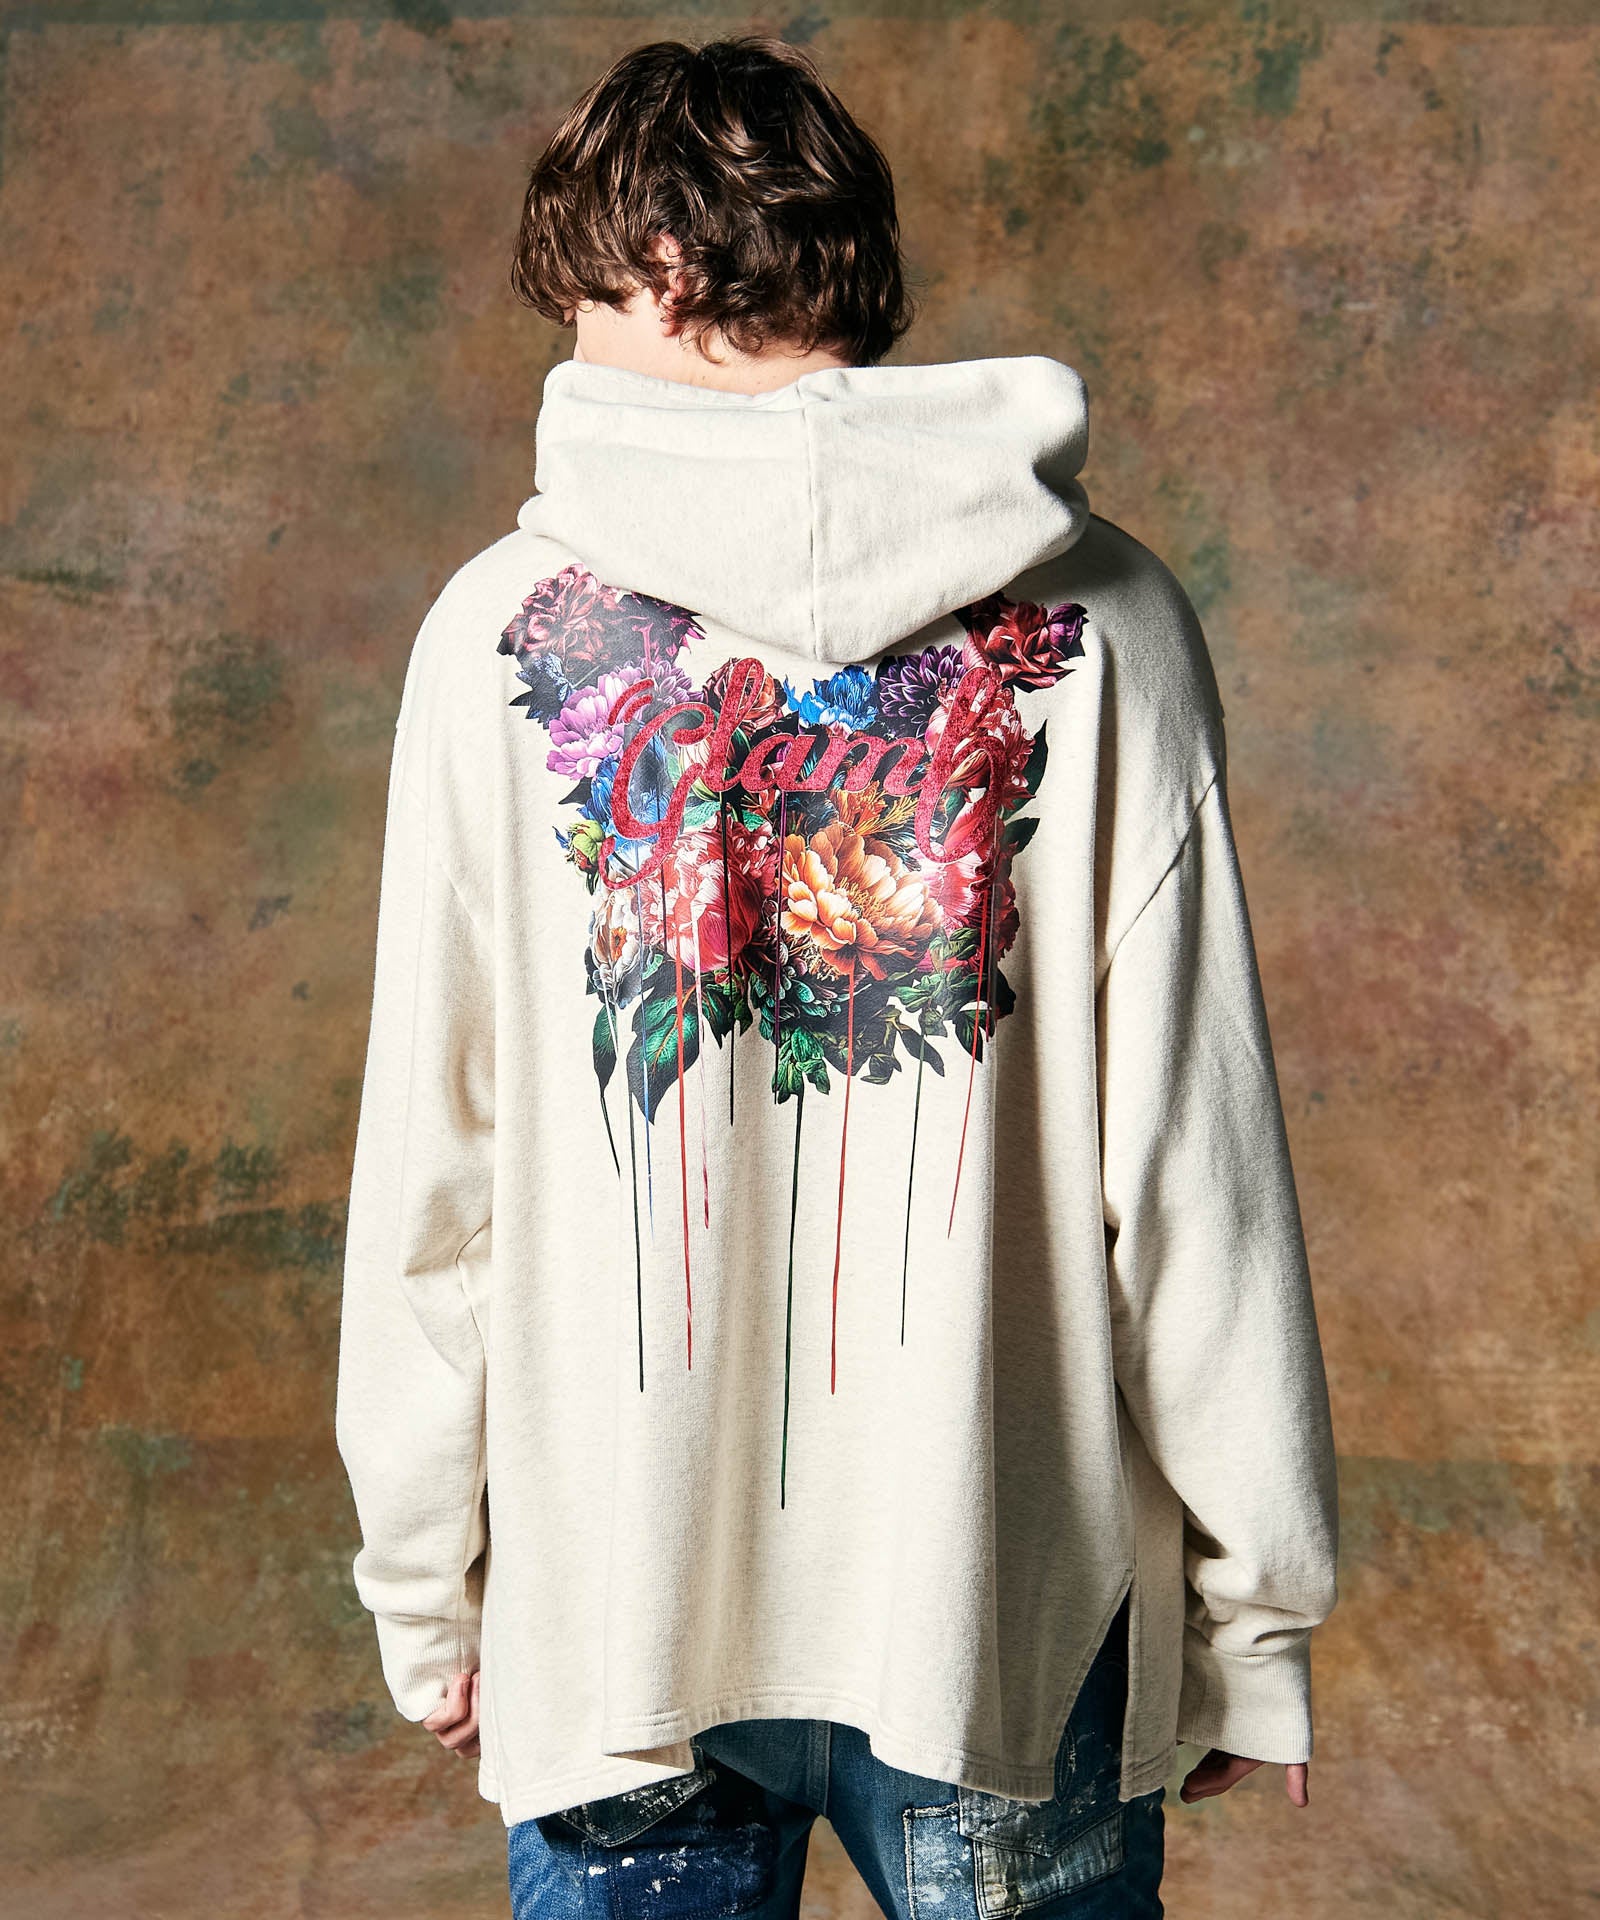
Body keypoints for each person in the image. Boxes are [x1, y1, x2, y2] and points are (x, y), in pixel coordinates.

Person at [333, 34, 1340, 1920]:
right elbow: (1195, 1173)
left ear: (661, 270)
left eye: (580, 301)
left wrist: (427, 1588)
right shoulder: (1109, 624)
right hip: (1000, 1600)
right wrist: (1255, 1615)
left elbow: (435, 1178)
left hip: (618, 1604)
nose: (566, 361)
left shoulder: (493, 640)